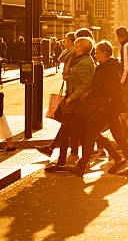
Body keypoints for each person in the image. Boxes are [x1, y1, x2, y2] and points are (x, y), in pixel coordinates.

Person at [65, 41, 128, 176]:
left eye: (97, 52)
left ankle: (81, 166)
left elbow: (115, 89)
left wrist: (122, 108)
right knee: (119, 138)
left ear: (105, 53)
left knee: (91, 135)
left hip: (106, 108)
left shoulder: (109, 69)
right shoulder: (105, 67)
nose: (95, 54)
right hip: (108, 108)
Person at [45, 37, 96, 173]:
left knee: (78, 132)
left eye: (77, 46)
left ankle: (80, 163)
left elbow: (86, 84)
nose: (75, 48)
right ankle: (65, 163)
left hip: (76, 101)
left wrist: (71, 97)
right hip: (74, 99)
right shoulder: (79, 60)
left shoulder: (85, 62)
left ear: (84, 48)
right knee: (68, 130)